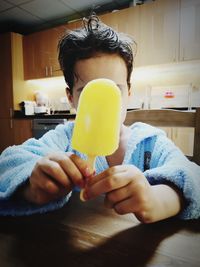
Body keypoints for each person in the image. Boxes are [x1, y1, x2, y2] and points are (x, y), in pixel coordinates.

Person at [0, 14, 200, 222]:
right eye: (89, 93)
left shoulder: (150, 143)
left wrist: (160, 199)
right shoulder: (65, 139)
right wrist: (31, 183)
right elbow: (7, 163)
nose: (102, 104)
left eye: (114, 90)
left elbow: (193, 176)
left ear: (129, 93)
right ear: (71, 98)